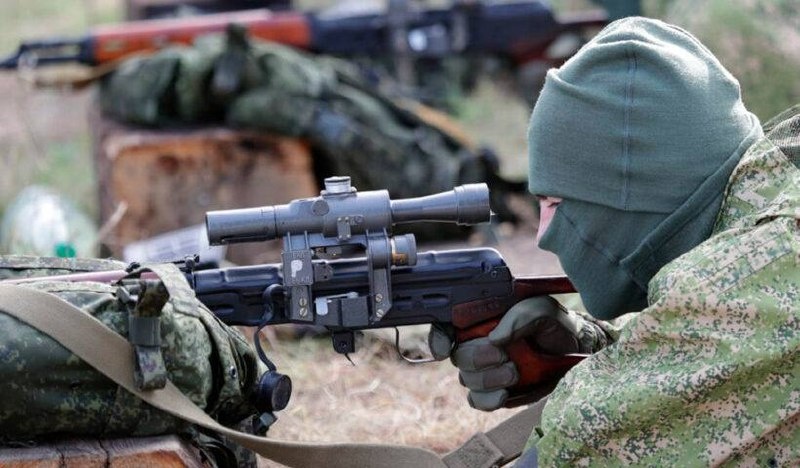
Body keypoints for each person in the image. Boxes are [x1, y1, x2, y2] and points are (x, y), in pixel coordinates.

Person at [431, 16, 800, 466]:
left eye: (555, 202)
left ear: (638, 198)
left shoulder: (760, 265)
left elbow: (582, 443)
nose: (543, 235)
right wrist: (594, 344)